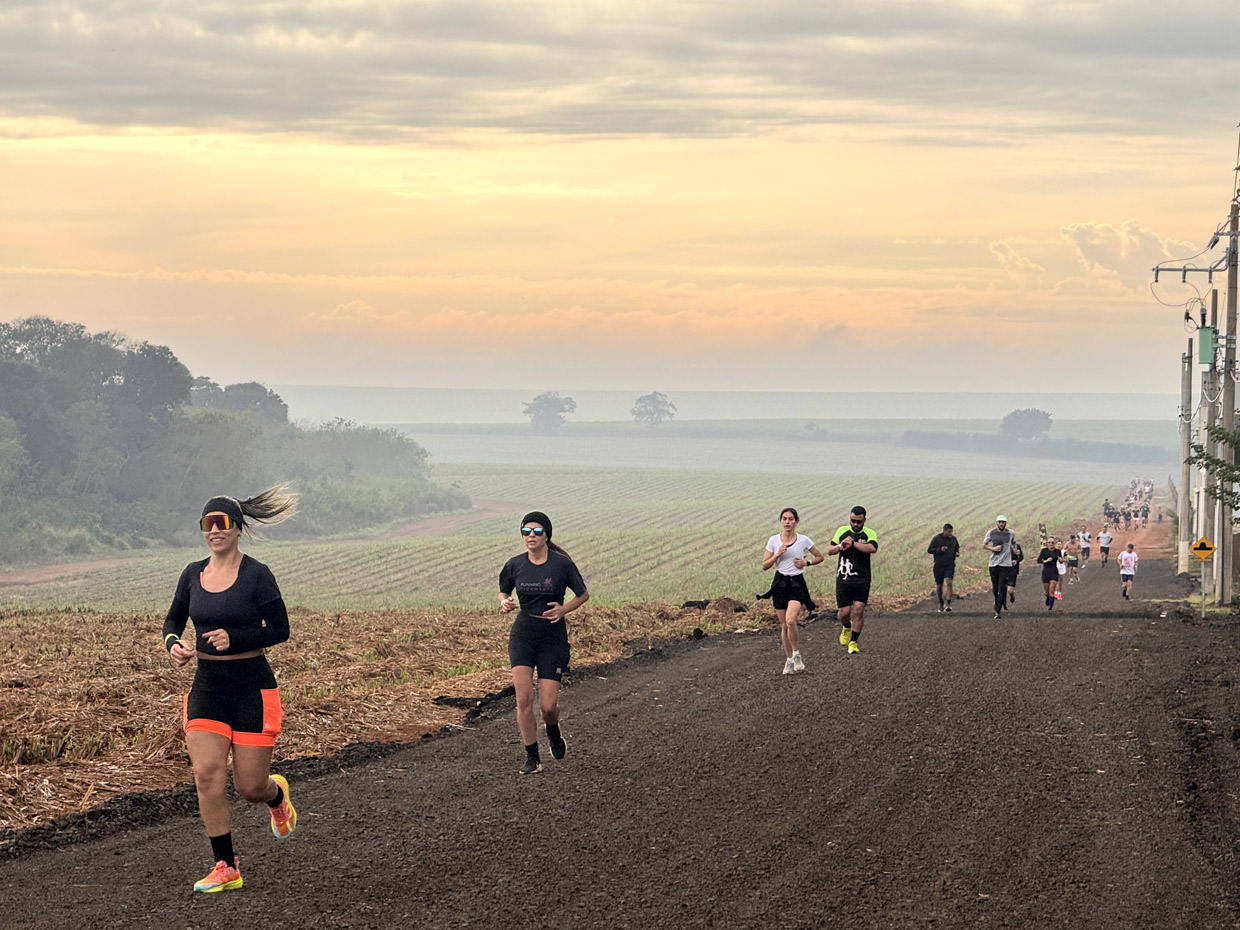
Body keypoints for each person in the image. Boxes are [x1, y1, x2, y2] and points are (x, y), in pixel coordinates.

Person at [162, 487, 299, 894]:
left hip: (252, 688)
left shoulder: (257, 574)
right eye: (207, 524)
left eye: (222, 523)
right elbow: (172, 621)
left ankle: (276, 796)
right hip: (207, 686)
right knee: (206, 775)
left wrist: (234, 638)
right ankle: (225, 865)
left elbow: (280, 629)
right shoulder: (192, 574)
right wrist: (174, 645)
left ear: (237, 528)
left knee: (249, 787)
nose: (214, 531)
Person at [499, 511, 589, 775]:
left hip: (552, 637)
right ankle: (532, 757)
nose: (531, 536)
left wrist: (564, 609)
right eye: (526, 531)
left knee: (548, 707)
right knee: (523, 698)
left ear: (546, 535)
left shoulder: (561, 565)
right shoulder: (514, 564)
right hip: (523, 634)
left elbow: (583, 594)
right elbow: (504, 590)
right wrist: (504, 602)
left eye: (537, 531)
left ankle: (552, 729)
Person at [760, 507, 824, 674]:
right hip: (780, 583)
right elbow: (765, 565)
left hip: (796, 583)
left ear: (796, 521)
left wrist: (806, 563)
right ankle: (788, 660)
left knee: (790, 621)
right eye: (784, 519)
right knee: (783, 625)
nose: (787, 522)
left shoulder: (803, 540)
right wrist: (777, 554)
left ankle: (796, 655)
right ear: (781, 521)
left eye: (790, 519)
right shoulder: (774, 540)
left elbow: (820, 556)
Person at [829, 506, 878, 655]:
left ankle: (853, 642)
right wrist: (840, 546)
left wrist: (854, 544)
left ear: (864, 520)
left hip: (862, 578)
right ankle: (846, 626)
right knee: (843, 612)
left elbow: (872, 548)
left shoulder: (869, 533)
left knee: (858, 609)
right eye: (853, 521)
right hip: (844, 578)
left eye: (859, 521)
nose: (855, 524)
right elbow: (830, 550)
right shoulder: (842, 531)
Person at [983, 515, 1017, 619]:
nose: (1001, 524)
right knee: (995, 588)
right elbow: (984, 545)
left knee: (1002, 587)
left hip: (1005, 564)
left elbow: (1014, 543)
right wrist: (993, 548)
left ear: (1006, 523)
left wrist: (1015, 551)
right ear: (996, 523)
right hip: (993, 564)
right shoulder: (991, 533)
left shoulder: (1011, 533)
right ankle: (997, 601)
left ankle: (998, 610)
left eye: (1003, 522)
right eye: (999, 522)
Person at [926, 523, 960, 613]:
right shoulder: (937, 539)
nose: (950, 533)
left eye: (951, 532)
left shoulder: (953, 539)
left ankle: (948, 604)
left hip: (950, 565)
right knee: (939, 585)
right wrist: (940, 549)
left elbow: (957, 548)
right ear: (944, 531)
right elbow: (929, 550)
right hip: (939, 565)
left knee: (949, 582)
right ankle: (941, 602)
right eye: (949, 532)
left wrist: (957, 553)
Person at [1038, 536, 1061, 610]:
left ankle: (1050, 607)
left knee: (1052, 590)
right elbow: (1039, 560)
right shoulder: (1044, 551)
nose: (1051, 544)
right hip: (1046, 571)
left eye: (1052, 542)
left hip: (1053, 571)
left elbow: (1060, 560)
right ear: (1047, 543)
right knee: (1047, 591)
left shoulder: (1057, 551)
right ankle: (1048, 597)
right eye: (1049, 542)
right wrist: (1046, 560)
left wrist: (1061, 560)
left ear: (1054, 543)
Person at [1007, 541, 1023, 605]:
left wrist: (1016, 561)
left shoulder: (1016, 546)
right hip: (1003, 569)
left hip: (1013, 570)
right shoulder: (1003, 546)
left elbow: (1021, 556)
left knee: (1009, 590)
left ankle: (1011, 594)